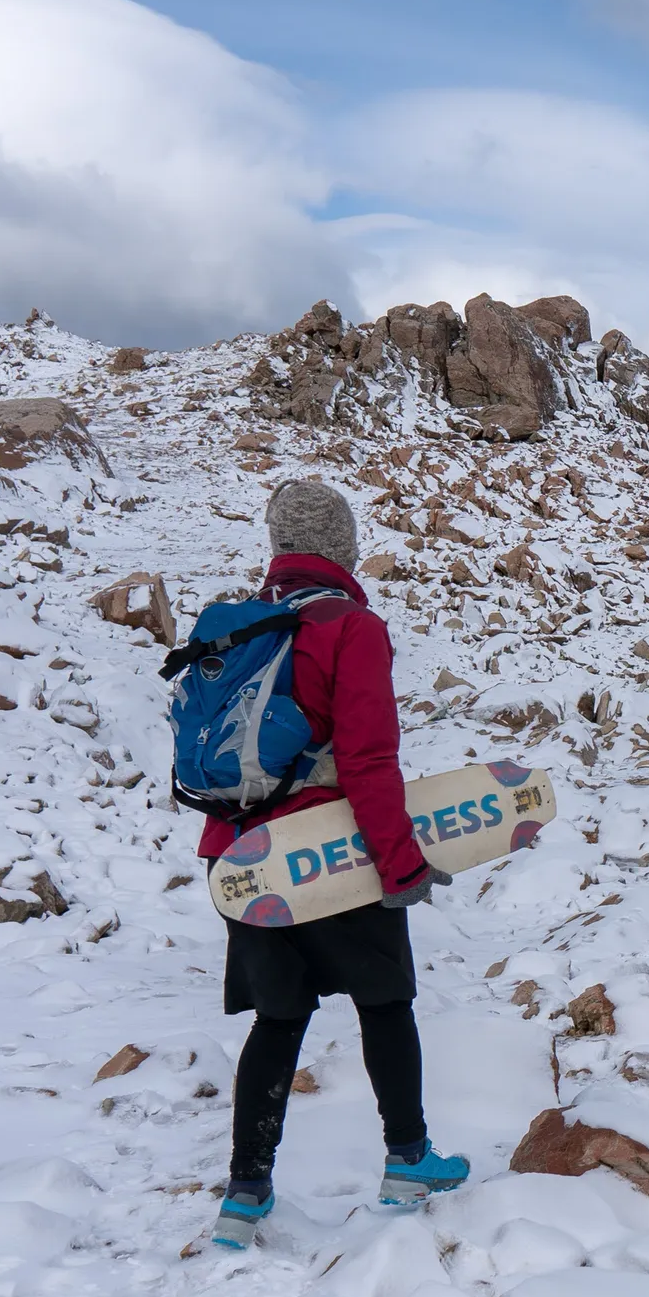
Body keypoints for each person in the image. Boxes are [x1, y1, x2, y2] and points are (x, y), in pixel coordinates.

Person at [196, 480, 468, 1249]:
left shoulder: (237, 629)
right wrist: (400, 865)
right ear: (342, 547)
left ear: (279, 546)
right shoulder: (351, 628)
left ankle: (245, 1194)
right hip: (330, 852)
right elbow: (368, 759)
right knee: (384, 1001)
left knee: (278, 1018)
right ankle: (408, 1160)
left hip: (242, 856)